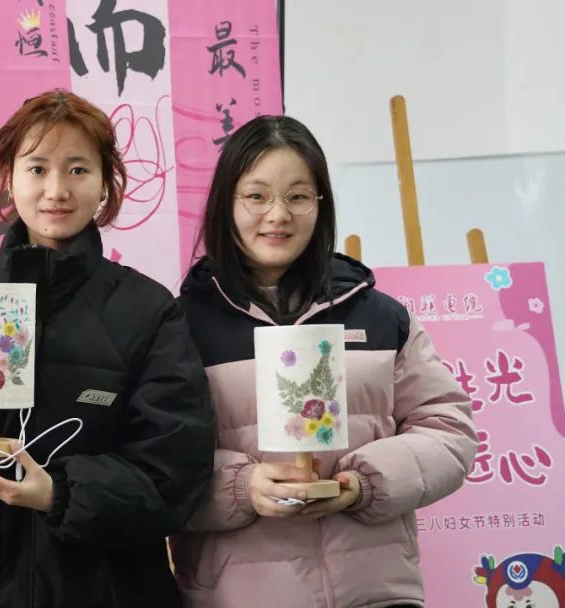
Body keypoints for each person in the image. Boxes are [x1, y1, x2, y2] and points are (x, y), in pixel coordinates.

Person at [0, 89, 216, 608]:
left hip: (105, 587)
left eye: (78, 169)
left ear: (106, 182)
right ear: (9, 178)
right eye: (37, 169)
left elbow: (175, 471)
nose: (57, 190)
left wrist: (60, 492)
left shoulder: (148, 311)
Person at [169, 115, 478, 608]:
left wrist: (366, 483)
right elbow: (154, 460)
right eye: (256, 196)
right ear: (226, 203)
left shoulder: (382, 318)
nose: (278, 215)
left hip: (376, 593)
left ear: (320, 204)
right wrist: (242, 487)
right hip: (238, 596)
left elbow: (449, 431)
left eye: (297, 196)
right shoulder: (178, 327)